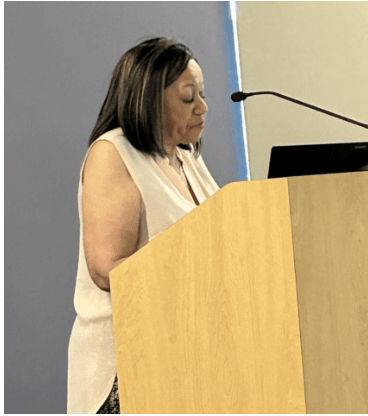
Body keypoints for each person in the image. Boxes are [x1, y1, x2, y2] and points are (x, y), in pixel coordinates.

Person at [67, 38, 220, 414]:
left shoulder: (186, 158)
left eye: (202, 95)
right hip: (129, 367)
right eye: (188, 97)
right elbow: (107, 270)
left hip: (186, 355)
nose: (202, 107)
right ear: (149, 98)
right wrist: (192, 265)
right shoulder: (113, 152)